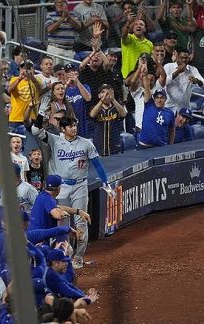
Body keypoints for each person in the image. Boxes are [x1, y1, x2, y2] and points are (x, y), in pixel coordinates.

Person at [32, 116, 111, 269]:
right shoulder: (54, 140)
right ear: (63, 129)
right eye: (70, 126)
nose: (73, 128)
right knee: (62, 222)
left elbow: (97, 164)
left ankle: (79, 257)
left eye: (74, 125)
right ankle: (63, 257)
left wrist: (105, 181)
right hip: (61, 187)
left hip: (80, 186)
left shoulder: (86, 143)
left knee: (81, 222)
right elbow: (35, 130)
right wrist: (41, 112)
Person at [89, 84, 127, 156]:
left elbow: (124, 114)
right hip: (99, 144)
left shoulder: (116, 107)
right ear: (99, 95)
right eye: (103, 92)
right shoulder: (95, 108)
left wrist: (113, 99)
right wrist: (102, 100)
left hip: (114, 144)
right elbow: (92, 114)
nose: (106, 94)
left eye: (108, 92)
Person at [164, 48, 204, 113]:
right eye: (181, 57)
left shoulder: (192, 70)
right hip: (168, 106)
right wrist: (177, 72)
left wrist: (196, 81)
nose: (184, 60)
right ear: (177, 57)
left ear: (189, 58)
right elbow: (164, 82)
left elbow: (203, 84)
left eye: (186, 58)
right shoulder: (168, 67)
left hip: (183, 109)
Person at [44, 0, 81, 64]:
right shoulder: (50, 15)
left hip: (69, 50)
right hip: (56, 49)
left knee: (69, 72)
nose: (60, 6)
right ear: (55, 6)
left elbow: (78, 26)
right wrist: (62, 18)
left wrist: (69, 17)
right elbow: (49, 29)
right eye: (58, 5)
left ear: (67, 5)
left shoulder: (73, 14)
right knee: (56, 72)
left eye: (62, 4)